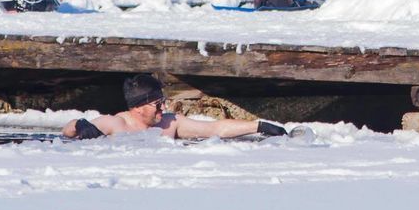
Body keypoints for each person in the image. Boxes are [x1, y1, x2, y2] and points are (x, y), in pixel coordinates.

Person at [60, 73, 291, 140]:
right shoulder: (116, 124)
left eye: (163, 102)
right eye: (157, 104)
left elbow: (216, 129)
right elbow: (66, 131)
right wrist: (78, 125)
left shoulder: (171, 123)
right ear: (138, 107)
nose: (163, 108)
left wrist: (258, 125)